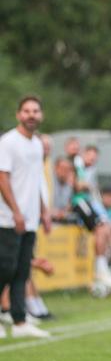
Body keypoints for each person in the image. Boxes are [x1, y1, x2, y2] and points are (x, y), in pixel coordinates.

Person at [0, 96, 53, 338]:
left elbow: (38, 180)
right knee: (5, 269)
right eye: (27, 111)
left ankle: (19, 321)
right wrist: (16, 211)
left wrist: (43, 210)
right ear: (18, 114)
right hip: (8, 219)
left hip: (30, 219)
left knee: (22, 271)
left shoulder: (38, 145)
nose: (31, 115)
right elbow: (3, 178)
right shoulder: (8, 142)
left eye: (35, 111)